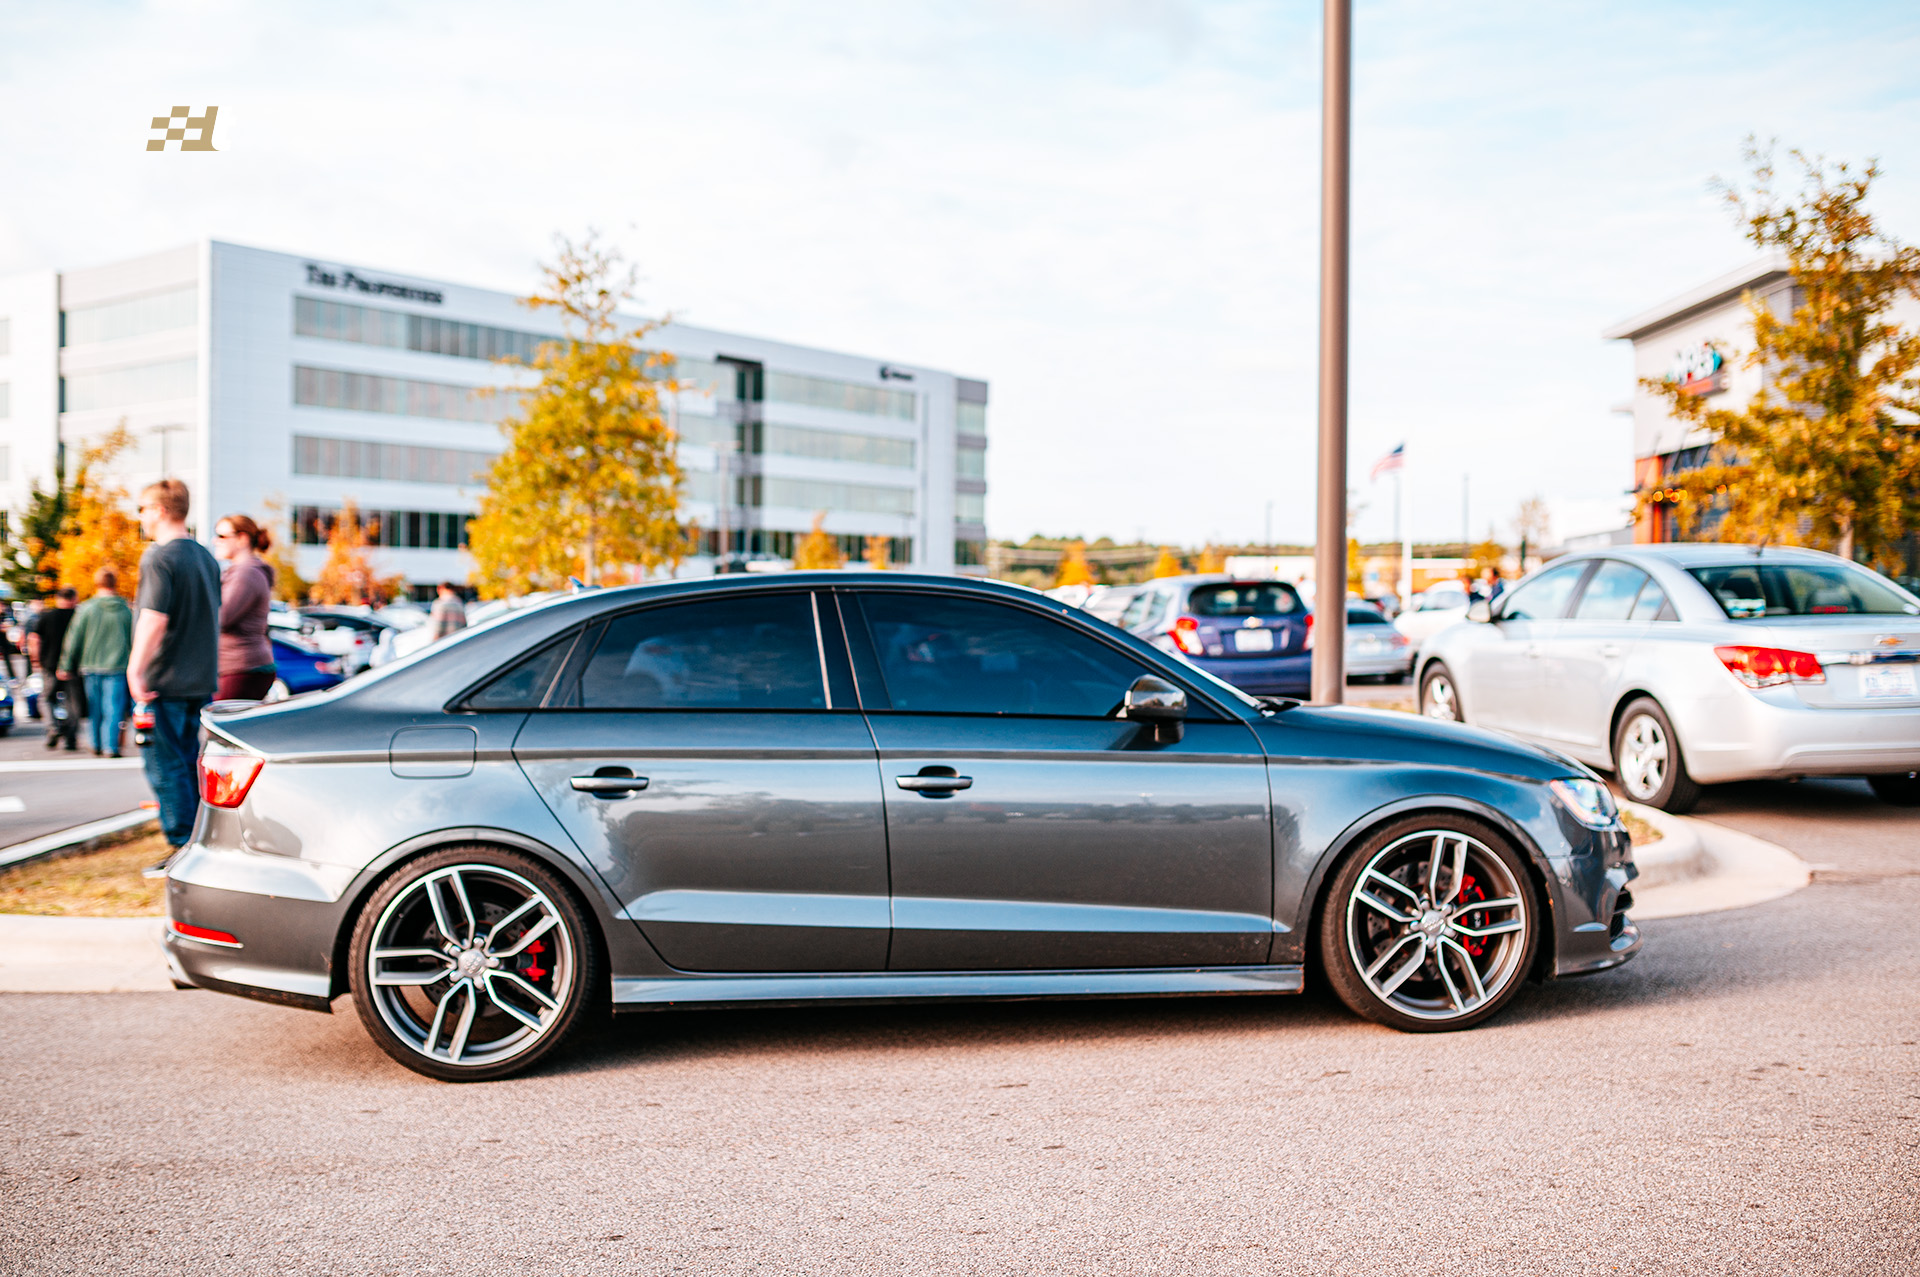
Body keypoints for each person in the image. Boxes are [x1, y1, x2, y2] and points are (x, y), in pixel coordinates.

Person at [127, 479, 222, 855]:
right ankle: (199, 841)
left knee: (165, 765)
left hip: (163, 680)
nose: (140, 516)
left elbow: (154, 618)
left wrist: (135, 670)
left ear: (160, 510)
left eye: (143, 509)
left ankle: (183, 846)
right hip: (199, 677)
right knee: (187, 760)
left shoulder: (159, 557)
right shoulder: (205, 557)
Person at [61, 570, 133, 757]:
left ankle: (95, 743)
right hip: (118, 665)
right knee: (114, 708)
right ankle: (111, 746)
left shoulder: (86, 609)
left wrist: (66, 664)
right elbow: (134, 639)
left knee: (94, 708)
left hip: (91, 664)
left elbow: (73, 639)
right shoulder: (125, 609)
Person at [214, 513, 278, 701]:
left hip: (242, 668)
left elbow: (221, 617)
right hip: (242, 667)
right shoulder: (242, 571)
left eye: (222, 536)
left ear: (242, 539)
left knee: (223, 720)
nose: (215, 541)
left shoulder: (246, 573)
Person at [29, 588, 81, 750]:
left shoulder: (47, 616)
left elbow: (34, 639)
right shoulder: (78, 617)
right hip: (74, 667)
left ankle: (53, 727)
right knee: (73, 703)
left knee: (46, 699)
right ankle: (71, 736)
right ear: (74, 598)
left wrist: (35, 660)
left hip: (49, 664)